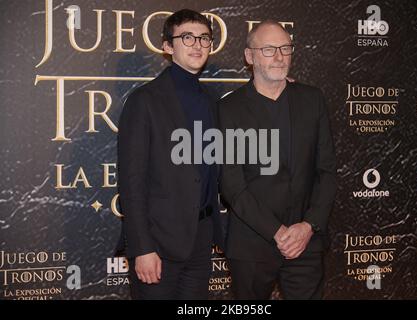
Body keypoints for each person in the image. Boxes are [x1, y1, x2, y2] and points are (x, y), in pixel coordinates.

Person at [218, 20, 337, 299]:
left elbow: (327, 171)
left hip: (306, 245)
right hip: (252, 246)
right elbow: (233, 185)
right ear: (250, 56)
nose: (280, 56)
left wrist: (308, 227)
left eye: (286, 48)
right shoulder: (229, 109)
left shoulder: (312, 99)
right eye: (269, 49)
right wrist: (279, 232)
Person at [117, 9, 223, 300]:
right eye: (187, 37)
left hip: (201, 240)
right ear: (167, 46)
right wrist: (142, 248)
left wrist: (280, 86)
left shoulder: (212, 102)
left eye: (204, 38)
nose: (198, 45)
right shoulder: (144, 101)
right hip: (158, 243)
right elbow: (131, 182)